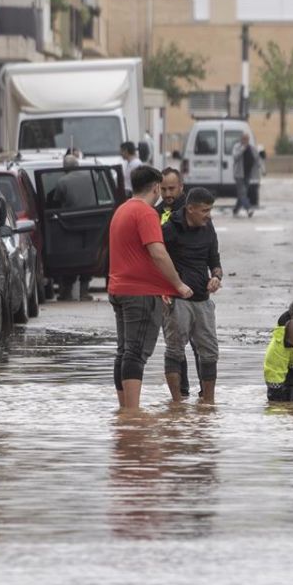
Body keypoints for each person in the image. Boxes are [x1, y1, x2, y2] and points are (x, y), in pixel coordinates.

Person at [107, 165, 194, 410]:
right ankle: (132, 414)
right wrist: (177, 283)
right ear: (156, 187)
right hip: (139, 294)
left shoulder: (121, 210)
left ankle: (124, 411)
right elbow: (157, 252)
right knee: (136, 353)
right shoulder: (146, 213)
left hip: (118, 290)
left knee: (124, 351)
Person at [162, 187, 223, 403]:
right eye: (205, 210)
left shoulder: (208, 227)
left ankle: (209, 402)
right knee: (175, 350)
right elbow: (155, 259)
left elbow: (214, 261)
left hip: (203, 300)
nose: (209, 215)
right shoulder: (170, 229)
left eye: (210, 210)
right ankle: (177, 403)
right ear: (190, 209)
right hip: (177, 300)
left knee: (210, 352)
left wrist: (216, 277)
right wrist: (163, 288)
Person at [233, 133, 259, 218]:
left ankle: (236, 209)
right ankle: (249, 209)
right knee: (243, 193)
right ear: (241, 139)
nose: (246, 141)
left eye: (247, 139)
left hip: (247, 174)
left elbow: (256, 158)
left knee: (242, 194)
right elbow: (235, 157)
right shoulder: (237, 147)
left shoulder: (251, 148)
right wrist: (243, 148)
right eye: (244, 139)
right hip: (239, 175)